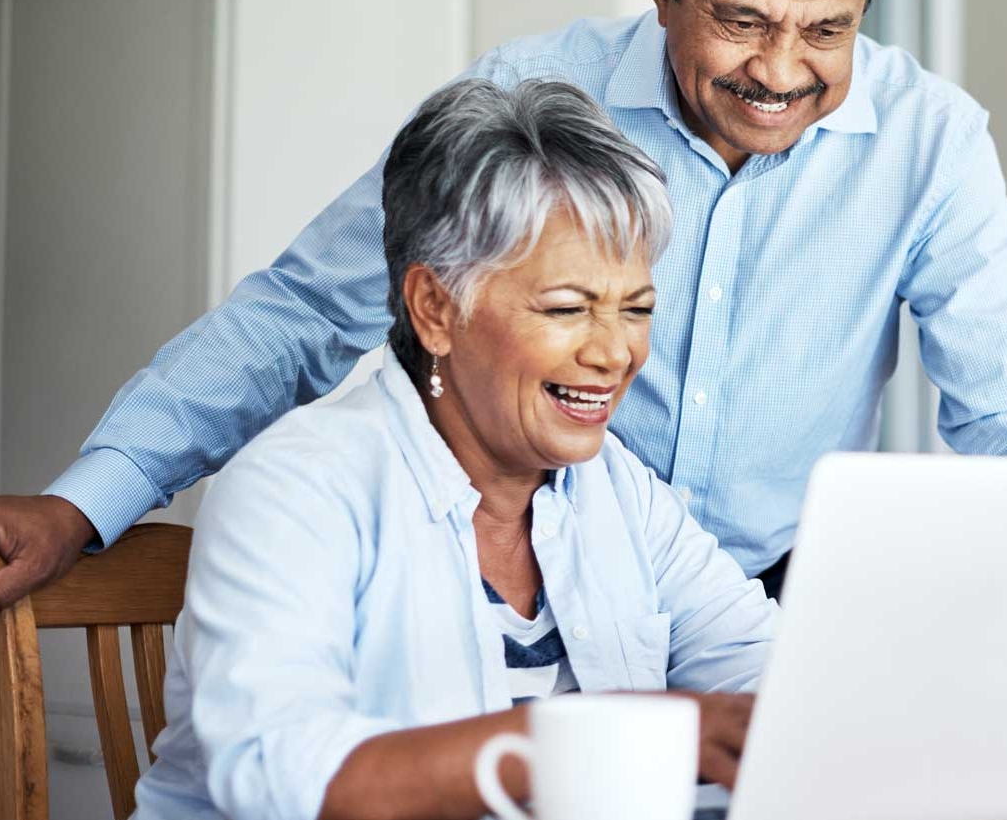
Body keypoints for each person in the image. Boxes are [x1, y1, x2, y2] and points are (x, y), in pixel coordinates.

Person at [0, 0, 1007, 777]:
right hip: (533, 647)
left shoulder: (928, 143)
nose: (781, 71)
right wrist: (87, 498)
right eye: (740, 18)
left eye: (827, 31)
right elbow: (300, 312)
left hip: (703, 606)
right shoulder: (533, 109)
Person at [132, 78, 775, 820]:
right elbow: (281, 775)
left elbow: (767, 679)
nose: (616, 351)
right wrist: (585, 739)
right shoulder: (293, 488)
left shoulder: (617, 489)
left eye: (637, 309)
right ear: (435, 308)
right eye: (567, 308)